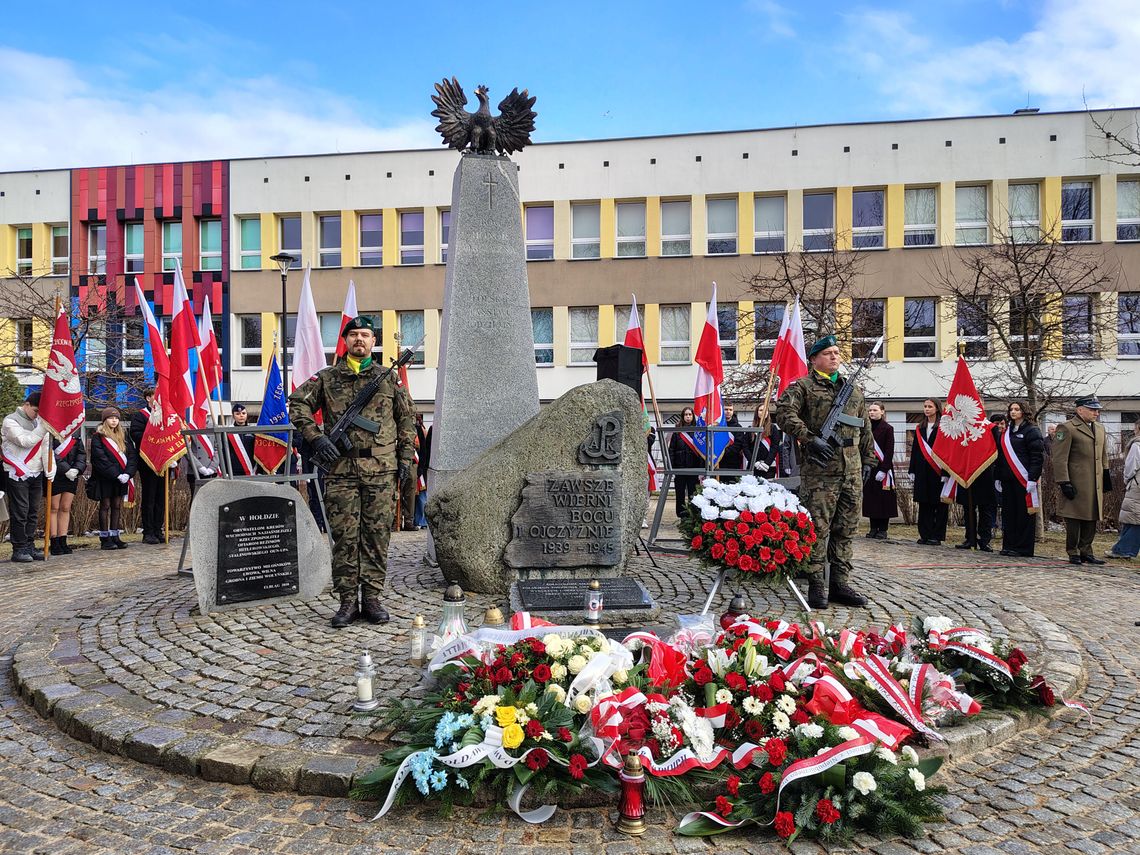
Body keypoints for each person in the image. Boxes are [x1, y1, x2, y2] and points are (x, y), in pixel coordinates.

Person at [289, 316, 416, 628]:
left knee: (376, 536)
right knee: (345, 538)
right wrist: (316, 438)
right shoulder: (327, 377)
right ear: (345, 340)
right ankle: (347, 601)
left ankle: (372, 598)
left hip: (381, 471)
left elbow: (407, 418)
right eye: (354, 335)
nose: (360, 340)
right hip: (341, 471)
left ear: (374, 342)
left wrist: (405, 458)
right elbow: (297, 404)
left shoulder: (388, 379)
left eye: (366, 335)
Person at [775, 334, 874, 609]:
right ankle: (817, 583)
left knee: (846, 529)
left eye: (837, 353)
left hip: (851, 471)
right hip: (820, 472)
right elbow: (784, 413)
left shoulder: (852, 390)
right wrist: (809, 438)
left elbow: (865, 428)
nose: (835, 357)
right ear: (815, 358)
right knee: (818, 529)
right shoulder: (803, 387)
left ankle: (840, 583)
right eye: (828, 353)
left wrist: (868, 460)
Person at [1053, 395, 1112, 566]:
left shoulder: (1100, 428)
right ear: (1080, 410)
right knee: (1074, 518)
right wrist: (1064, 481)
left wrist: (1106, 475)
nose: (1096, 413)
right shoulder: (1067, 428)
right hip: (1076, 481)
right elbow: (1059, 458)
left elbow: (1103, 455)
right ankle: (1073, 551)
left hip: (1095, 482)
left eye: (1097, 410)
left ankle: (1087, 551)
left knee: (1092, 516)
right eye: (1093, 409)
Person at [2, 391, 47, 562]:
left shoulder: (37, 421)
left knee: (33, 512)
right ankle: (18, 548)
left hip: (36, 471)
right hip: (17, 472)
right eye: (36, 410)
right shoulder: (10, 420)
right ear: (26, 405)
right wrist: (43, 427)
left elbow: (45, 446)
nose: (37, 415)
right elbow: (25, 441)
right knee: (20, 511)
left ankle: (29, 544)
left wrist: (50, 467)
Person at [996, 401, 1045, 557]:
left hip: (1024, 479)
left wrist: (1032, 478)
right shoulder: (1006, 431)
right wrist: (997, 476)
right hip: (1007, 479)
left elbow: (1037, 457)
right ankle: (1009, 545)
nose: (1013, 412)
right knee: (1009, 513)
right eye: (1011, 409)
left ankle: (1023, 547)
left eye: (1017, 409)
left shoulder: (1032, 430)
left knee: (1024, 514)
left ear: (1024, 411)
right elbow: (1001, 456)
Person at [88, 406, 138, 550]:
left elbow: (132, 456)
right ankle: (105, 538)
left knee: (117, 506)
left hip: (122, 478)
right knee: (105, 506)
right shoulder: (98, 437)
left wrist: (128, 474)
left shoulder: (124, 436)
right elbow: (100, 459)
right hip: (106, 478)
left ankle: (115, 535)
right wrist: (116, 474)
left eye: (116, 418)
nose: (114, 420)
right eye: (111, 418)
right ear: (105, 420)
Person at [953, 412, 998, 552]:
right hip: (966, 473)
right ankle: (970, 538)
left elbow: (998, 451)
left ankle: (984, 540)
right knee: (968, 508)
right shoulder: (962, 428)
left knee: (986, 509)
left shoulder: (991, 428)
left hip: (985, 474)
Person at [130, 388, 168, 544]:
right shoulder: (140, 416)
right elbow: (135, 434)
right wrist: (154, 435)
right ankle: (148, 531)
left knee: (161, 498)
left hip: (163, 462)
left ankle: (158, 529)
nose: (157, 400)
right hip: (148, 463)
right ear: (148, 398)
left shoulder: (164, 416)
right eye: (154, 397)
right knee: (149, 498)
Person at [909, 398, 948, 546]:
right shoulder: (920, 427)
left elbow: (947, 452)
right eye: (925, 406)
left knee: (939, 504)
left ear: (937, 409)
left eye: (930, 407)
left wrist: (946, 472)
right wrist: (912, 469)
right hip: (922, 470)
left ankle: (936, 535)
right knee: (924, 503)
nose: (926, 409)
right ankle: (925, 534)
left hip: (937, 471)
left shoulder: (944, 427)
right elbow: (915, 450)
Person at [47, 430, 87, 555]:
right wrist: (66, 469)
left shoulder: (75, 436)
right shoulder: (50, 434)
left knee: (65, 507)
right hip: (55, 474)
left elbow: (81, 454)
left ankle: (63, 540)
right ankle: (54, 541)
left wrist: (77, 469)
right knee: (53, 508)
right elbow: (51, 454)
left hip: (71, 476)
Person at [862, 401, 897, 540]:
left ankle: (882, 529)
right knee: (871, 499)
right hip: (869, 467)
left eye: (875, 410)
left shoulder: (887, 428)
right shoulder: (866, 428)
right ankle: (873, 528)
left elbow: (889, 450)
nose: (871, 412)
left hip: (883, 468)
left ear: (882, 411)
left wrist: (884, 469)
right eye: (870, 410)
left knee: (883, 500)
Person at [1106, 421, 1140, 559]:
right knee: (1131, 517)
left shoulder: (1137, 445)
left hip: (1137, 485)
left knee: (1134, 517)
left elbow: (1131, 467)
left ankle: (1124, 549)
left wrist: (1127, 481)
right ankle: (1121, 547)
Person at [668, 407, 700, 518]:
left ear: (693, 416)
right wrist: (671, 466)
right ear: (682, 416)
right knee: (680, 494)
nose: (688, 417)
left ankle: (693, 515)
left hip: (693, 468)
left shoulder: (698, 431)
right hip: (679, 468)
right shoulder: (677, 431)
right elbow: (671, 449)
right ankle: (681, 515)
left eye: (690, 414)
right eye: (686, 414)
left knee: (693, 494)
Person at [749, 404, 782, 477]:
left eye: (765, 410)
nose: (763, 412)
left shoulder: (773, 428)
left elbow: (775, 446)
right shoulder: (751, 429)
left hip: (768, 466)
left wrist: (767, 463)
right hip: (754, 465)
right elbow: (746, 447)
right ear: (756, 413)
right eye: (761, 410)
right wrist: (754, 462)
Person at [717, 401, 746, 482]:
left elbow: (738, 444)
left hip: (733, 462)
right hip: (719, 461)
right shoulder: (717, 426)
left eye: (730, 409)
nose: (728, 412)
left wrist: (724, 451)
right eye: (726, 409)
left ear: (733, 411)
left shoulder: (738, 427)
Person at [224, 403, 257, 476]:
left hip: (251, 468)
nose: (241, 415)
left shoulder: (253, 431)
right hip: (233, 470)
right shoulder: (227, 432)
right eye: (238, 414)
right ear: (233, 416)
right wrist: (225, 470)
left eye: (243, 413)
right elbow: (224, 453)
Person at [413, 413, 429, 529]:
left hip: (420, 467)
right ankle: (416, 520)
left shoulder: (420, 430)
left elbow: (424, 450)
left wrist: (421, 468)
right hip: (415, 466)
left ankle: (421, 520)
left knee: (421, 497)